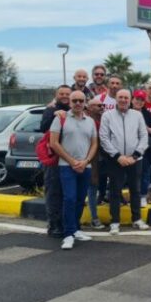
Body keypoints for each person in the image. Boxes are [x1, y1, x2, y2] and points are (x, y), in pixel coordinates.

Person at [49, 91, 98, 250]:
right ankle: (68, 234)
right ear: (70, 102)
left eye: (81, 100)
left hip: (85, 166)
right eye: (74, 100)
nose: (78, 103)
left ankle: (76, 229)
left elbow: (94, 144)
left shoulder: (90, 121)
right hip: (66, 166)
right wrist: (72, 161)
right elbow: (54, 143)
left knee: (79, 199)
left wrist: (85, 161)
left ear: (85, 102)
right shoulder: (60, 119)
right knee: (69, 198)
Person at [100, 89, 150, 234]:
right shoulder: (107, 116)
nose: (123, 100)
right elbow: (104, 138)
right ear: (116, 99)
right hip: (116, 160)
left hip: (135, 159)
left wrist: (134, 156)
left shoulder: (137, 115)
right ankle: (115, 222)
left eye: (126, 98)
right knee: (115, 191)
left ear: (130, 100)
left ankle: (137, 219)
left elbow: (143, 137)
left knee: (136, 190)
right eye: (120, 97)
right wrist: (118, 157)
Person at [39, 85, 72, 238]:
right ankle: (54, 225)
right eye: (62, 94)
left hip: (71, 158)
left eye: (67, 94)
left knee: (68, 193)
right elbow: (43, 127)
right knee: (53, 192)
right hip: (54, 159)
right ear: (56, 95)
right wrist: (54, 115)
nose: (65, 96)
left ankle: (68, 224)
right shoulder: (51, 110)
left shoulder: (75, 111)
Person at [132, 89, 151, 208]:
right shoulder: (126, 112)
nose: (139, 102)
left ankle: (142, 196)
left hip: (145, 150)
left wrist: (146, 128)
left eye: (142, 100)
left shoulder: (148, 114)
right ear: (133, 99)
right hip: (129, 149)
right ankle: (133, 197)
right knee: (131, 175)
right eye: (137, 99)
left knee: (145, 173)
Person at [85, 97, 105, 229]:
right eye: (99, 106)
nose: (102, 108)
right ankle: (94, 217)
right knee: (91, 188)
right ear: (90, 108)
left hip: (104, 159)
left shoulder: (104, 120)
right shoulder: (86, 122)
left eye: (103, 106)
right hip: (90, 161)